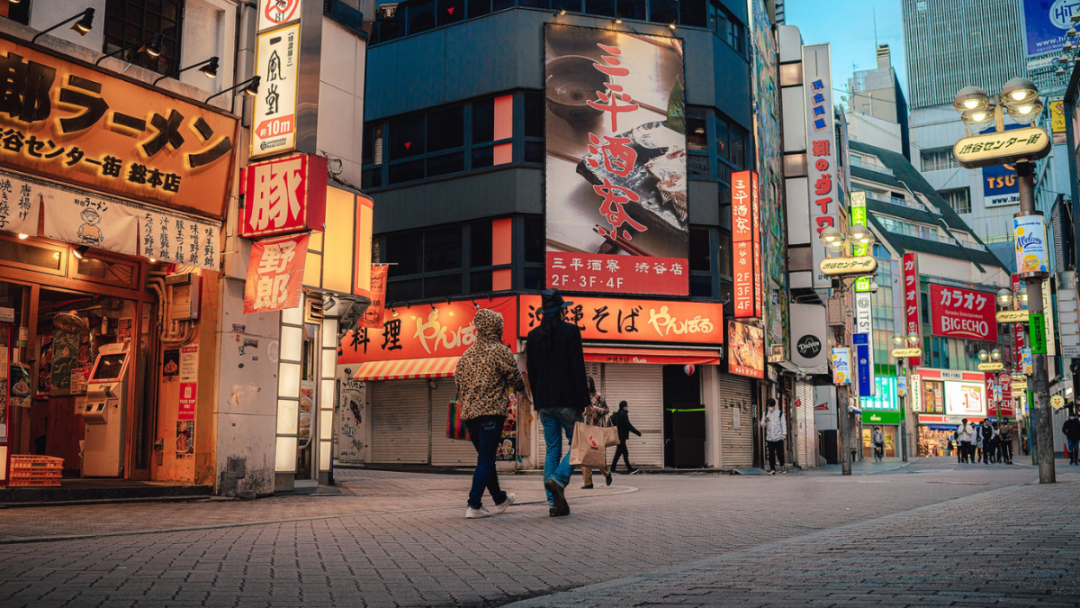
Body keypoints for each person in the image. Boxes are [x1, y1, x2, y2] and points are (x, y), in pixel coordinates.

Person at [455, 309, 526, 519]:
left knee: (485, 459)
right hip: (491, 414)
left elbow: (457, 384)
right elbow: (515, 376)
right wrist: (526, 395)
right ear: (497, 327)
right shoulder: (499, 350)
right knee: (485, 460)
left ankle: (499, 499)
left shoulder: (466, 355)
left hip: (469, 416)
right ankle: (474, 504)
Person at [525, 289, 590, 517]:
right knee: (579, 445)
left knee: (552, 449)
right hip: (568, 401)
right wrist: (585, 400)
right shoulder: (571, 331)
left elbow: (531, 372)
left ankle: (554, 504)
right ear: (562, 311)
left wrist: (537, 401)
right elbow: (577, 367)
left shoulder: (532, 336)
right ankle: (559, 479)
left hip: (545, 402)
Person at [580, 376, 613, 489]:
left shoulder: (599, 396)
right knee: (584, 457)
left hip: (597, 429)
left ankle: (607, 473)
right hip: (584, 430)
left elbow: (607, 410)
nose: (587, 386)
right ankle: (587, 483)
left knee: (597, 455)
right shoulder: (580, 397)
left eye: (588, 383)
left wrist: (597, 409)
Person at [610, 400, 641, 474]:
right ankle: (628, 469)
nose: (627, 407)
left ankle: (614, 469)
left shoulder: (618, 414)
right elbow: (628, 425)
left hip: (619, 436)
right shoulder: (623, 414)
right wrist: (637, 432)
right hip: (621, 437)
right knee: (621, 453)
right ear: (624, 407)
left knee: (622, 453)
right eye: (627, 406)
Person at [759, 398, 787, 474]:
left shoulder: (779, 414)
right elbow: (762, 425)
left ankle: (782, 466)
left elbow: (783, 424)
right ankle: (772, 469)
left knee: (780, 453)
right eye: (768, 406)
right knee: (771, 454)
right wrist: (765, 421)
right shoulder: (765, 414)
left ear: (774, 405)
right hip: (769, 437)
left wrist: (784, 434)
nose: (770, 407)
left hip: (778, 437)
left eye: (771, 406)